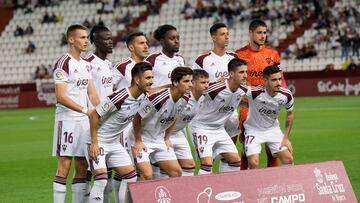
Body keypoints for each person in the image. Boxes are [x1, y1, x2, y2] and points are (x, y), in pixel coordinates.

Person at [86, 62, 154, 203]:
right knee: (101, 180)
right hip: (97, 141)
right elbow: (94, 115)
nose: (151, 81)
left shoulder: (142, 96)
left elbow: (155, 92)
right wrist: (94, 143)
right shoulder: (119, 97)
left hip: (114, 143)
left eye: (152, 78)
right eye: (148, 78)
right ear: (137, 80)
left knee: (130, 176)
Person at [52, 24, 100, 203]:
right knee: (64, 165)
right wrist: (84, 110)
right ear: (71, 39)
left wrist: (101, 111)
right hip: (67, 119)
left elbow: (92, 93)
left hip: (85, 120)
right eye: (82, 37)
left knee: (82, 165)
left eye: (87, 37)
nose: (86, 41)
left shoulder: (86, 64)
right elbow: (60, 96)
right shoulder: (63, 63)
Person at [235, 19, 284, 169]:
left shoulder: (273, 54)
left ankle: (272, 182)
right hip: (247, 107)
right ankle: (245, 182)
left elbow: (278, 77)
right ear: (250, 33)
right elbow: (238, 79)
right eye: (259, 32)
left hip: (268, 106)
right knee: (246, 150)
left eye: (264, 33)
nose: (263, 36)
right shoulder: (239, 54)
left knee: (272, 150)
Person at [129, 67, 193, 180]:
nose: (191, 84)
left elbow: (174, 117)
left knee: (176, 172)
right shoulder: (158, 99)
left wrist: (167, 138)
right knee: (147, 175)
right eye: (186, 81)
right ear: (175, 82)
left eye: (191, 81)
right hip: (142, 139)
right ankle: (134, 197)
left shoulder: (185, 98)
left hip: (158, 139)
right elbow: (137, 117)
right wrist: (138, 141)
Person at [188, 58, 248, 175]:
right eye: (241, 72)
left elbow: (254, 98)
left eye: (246, 72)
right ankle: (200, 191)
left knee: (235, 161)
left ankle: (225, 189)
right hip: (202, 127)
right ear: (231, 74)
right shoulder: (215, 88)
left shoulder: (243, 90)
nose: (245, 75)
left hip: (219, 129)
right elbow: (194, 91)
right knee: (207, 164)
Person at [193, 23, 240, 143]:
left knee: (230, 151)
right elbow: (195, 85)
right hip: (210, 111)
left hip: (230, 110)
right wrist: (218, 85)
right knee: (210, 153)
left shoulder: (234, 58)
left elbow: (242, 81)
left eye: (227, 34)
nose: (227, 37)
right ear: (214, 37)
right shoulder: (202, 60)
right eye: (223, 34)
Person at [82, 25, 114, 203]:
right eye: (105, 39)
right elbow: (88, 93)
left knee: (106, 168)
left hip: (108, 122)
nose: (110, 41)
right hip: (93, 121)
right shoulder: (88, 64)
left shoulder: (108, 64)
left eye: (110, 38)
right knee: (89, 169)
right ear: (94, 42)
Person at [244, 65, 294, 169]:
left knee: (288, 159)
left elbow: (290, 113)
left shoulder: (286, 95)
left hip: (273, 130)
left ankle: (284, 184)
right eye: (274, 80)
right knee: (253, 163)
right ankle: (252, 184)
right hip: (253, 130)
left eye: (280, 79)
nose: (279, 83)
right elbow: (235, 92)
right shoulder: (254, 92)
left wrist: (286, 138)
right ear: (265, 80)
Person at [167, 69, 209, 176]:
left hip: (178, 133)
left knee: (189, 165)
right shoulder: (183, 98)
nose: (207, 86)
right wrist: (166, 138)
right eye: (203, 83)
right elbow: (171, 117)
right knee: (165, 170)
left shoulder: (203, 98)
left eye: (207, 82)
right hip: (163, 134)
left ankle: (183, 192)